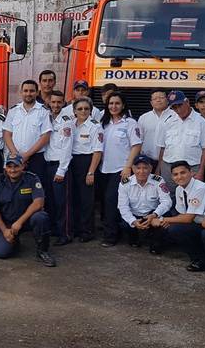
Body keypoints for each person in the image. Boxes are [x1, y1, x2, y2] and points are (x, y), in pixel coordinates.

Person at [0, 154, 55, 266]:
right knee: (1, 252)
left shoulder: (32, 179)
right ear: (5, 168)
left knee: (41, 217)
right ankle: (13, 241)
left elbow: (39, 202)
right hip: (7, 223)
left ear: (22, 166)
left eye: (16, 166)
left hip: (26, 220)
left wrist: (20, 222)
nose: (13, 170)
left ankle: (42, 251)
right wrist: (4, 230)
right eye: (9, 166)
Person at [99, 93, 143, 247]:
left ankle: (111, 237)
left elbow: (136, 146)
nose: (113, 106)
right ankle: (114, 230)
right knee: (105, 202)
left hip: (120, 169)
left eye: (117, 103)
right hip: (103, 169)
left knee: (112, 201)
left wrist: (128, 166)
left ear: (123, 105)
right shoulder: (104, 123)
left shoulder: (130, 123)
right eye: (111, 103)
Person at [156, 160, 205, 271]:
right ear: (172, 177)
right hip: (197, 223)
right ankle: (197, 257)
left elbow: (188, 218)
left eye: (183, 173)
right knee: (170, 227)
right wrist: (168, 221)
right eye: (175, 174)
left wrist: (161, 219)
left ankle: (202, 260)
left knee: (175, 229)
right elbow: (182, 214)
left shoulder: (200, 188)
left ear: (191, 172)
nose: (179, 177)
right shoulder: (179, 189)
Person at [2, 79, 52, 194]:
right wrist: (16, 154)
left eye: (31, 91)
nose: (28, 93)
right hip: (14, 158)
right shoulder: (13, 110)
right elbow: (7, 134)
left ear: (37, 92)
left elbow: (46, 136)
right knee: (14, 190)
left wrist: (26, 155)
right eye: (25, 91)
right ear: (21, 92)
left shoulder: (43, 111)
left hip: (36, 158)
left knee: (36, 190)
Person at [157, 90, 205, 188]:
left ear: (187, 102)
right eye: (174, 107)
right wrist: (159, 169)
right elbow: (163, 148)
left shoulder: (200, 121)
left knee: (193, 196)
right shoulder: (168, 121)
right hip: (168, 166)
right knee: (170, 196)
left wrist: (201, 171)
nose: (178, 110)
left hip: (191, 168)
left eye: (180, 105)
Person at [117, 154, 171, 253]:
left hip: (152, 214)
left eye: (145, 168)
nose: (141, 171)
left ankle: (155, 242)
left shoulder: (158, 180)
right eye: (138, 168)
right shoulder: (125, 183)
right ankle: (134, 236)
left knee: (164, 219)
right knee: (124, 222)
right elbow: (123, 206)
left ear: (150, 168)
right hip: (135, 215)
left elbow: (167, 202)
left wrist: (154, 214)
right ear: (133, 168)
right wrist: (133, 221)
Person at [69, 97, 103, 242]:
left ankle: (87, 231)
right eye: (80, 109)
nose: (83, 111)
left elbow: (98, 151)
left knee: (86, 200)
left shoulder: (95, 126)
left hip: (87, 162)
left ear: (90, 111)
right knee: (74, 198)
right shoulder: (70, 124)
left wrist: (91, 172)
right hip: (72, 163)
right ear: (74, 111)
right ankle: (76, 228)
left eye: (86, 109)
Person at [43, 90, 74, 244]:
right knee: (50, 201)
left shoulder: (66, 121)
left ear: (63, 103)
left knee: (62, 203)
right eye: (53, 102)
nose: (55, 105)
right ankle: (55, 229)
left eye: (59, 102)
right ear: (48, 101)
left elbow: (67, 148)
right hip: (47, 165)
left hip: (59, 167)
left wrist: (61, 170)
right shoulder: (46, 117)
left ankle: (65, 233)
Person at [137, 89, 172, 168]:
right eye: (155, 99)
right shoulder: (143, 118)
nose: (158, 100)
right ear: (151, 103)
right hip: (146, 161)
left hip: (168, 160)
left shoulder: (175, 116)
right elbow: (139, 141)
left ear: (167, 100)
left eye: (161, 97)